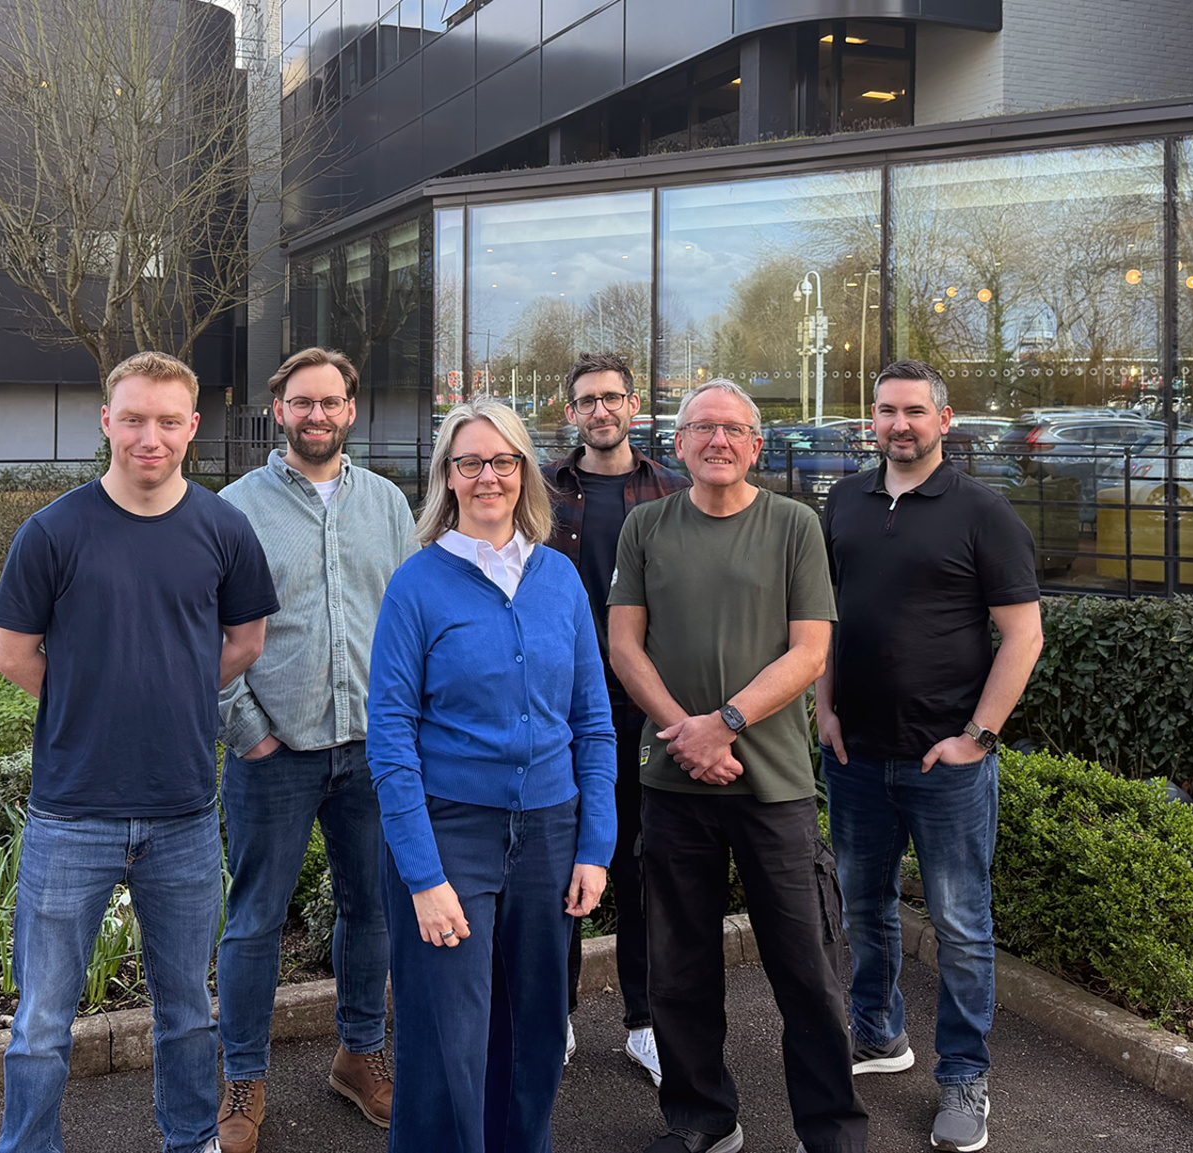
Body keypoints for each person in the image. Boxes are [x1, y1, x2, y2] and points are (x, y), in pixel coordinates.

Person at [0, 351, 279, 1153]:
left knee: (188, 1010)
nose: (151, 436)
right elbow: (14, 654)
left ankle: (192, 1141)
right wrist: (98, 699)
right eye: (135, 418)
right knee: (43, 1019)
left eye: (169, 420)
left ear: (191, 427)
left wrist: (178, 687)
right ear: (106, 422)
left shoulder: (223, 528)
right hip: (70, 813)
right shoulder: (53, 530)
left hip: (184, 811)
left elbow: (246, 638)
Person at [607, 380, 871, 1153]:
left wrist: (723, 724)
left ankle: (831, 1130)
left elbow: (811, 650)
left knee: (808, 969)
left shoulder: (793, 525)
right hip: (672, 782)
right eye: (701, 428)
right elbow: (624, 645)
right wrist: (681, 733)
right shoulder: (645, 526)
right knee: (679, 969)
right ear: (679, 444)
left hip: (774, 783)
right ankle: (700, 1119)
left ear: (757, 445)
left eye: (734, 429)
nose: (717, 440)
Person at [367, 398, 617, 1153]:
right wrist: (423, 876)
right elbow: (390, 739)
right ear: (447, 474)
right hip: (450, 835)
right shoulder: (417, 584)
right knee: (447, 1044)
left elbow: (593, 724)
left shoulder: (560, 579)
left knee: (535, 1031)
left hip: (548, 833)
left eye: (503, 460)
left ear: (523, 472)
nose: (488, 476)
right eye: (469, 461)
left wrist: (594, 846)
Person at [816, 359, 1044, 1153]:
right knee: (862, 905)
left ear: (945, 421)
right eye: (886, 410)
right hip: (855, 756)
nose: (899, 424)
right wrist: (823, 709)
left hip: (947, 764)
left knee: (959, 921)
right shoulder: (842, 501)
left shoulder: (982, 511)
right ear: (869, 419)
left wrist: (977, 738)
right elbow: (824, 622)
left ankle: (963, 1076)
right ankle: (879, 1034)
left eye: (915, 410)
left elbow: (1024, 634)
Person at [214, 347, 417, 1151]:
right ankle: (243, 1075)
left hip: (372, 747)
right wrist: (247, 728)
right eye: (303, 402)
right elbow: (210, 631)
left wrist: (404, 726)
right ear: (279, 410)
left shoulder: (390, 504)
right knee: (254, 918)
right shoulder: (234, 509)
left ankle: (360, 1053)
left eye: (331, 402)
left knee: (371, 909)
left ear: (351, 410)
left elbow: (407, 620)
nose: (318, 415)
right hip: (275, 750)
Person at [541, 351, 689, 1085]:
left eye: (612, 398)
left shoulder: (672, 489)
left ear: (634, 405)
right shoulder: (541, 491)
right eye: (586, 400)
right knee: (561, 859)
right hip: (563, 709)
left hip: (648, 708)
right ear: (571, 412)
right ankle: (555, 1016)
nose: (601, 410)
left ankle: (644, 1022)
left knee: (642, 866)